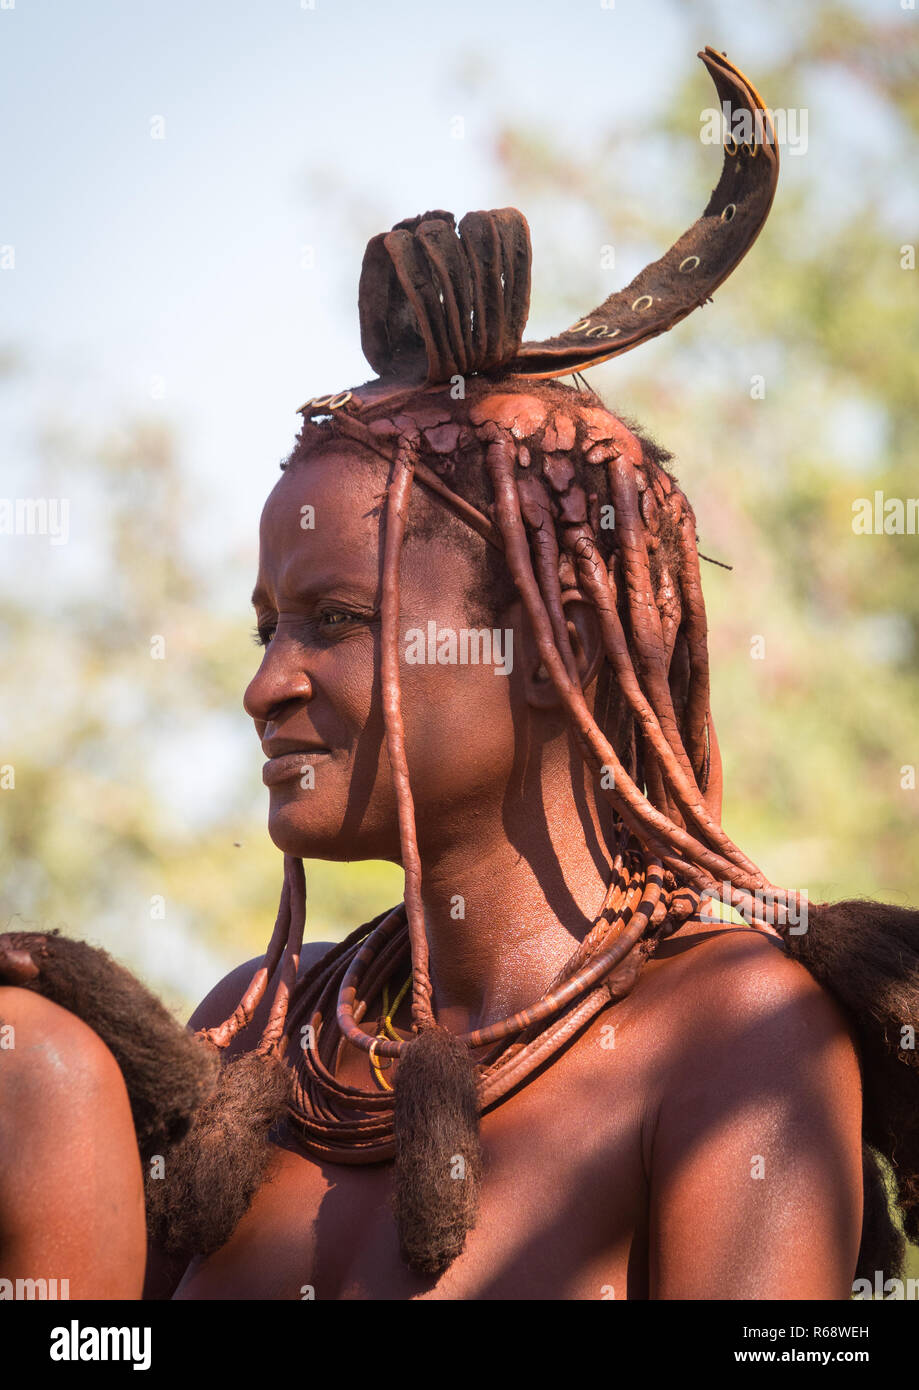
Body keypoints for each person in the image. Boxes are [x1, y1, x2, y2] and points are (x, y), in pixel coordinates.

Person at [143, 48, 917, 1300]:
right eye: (264, 630)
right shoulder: (255, 1032)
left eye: (334, 619)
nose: (265, 686)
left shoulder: (737, 1040)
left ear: (554, 646)